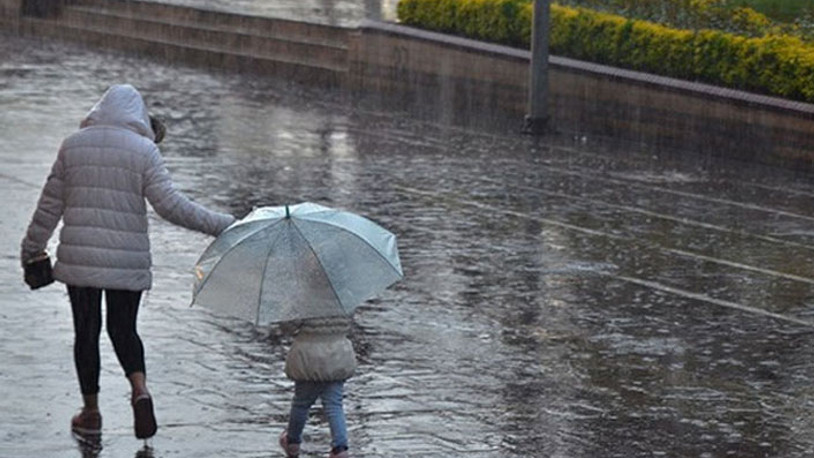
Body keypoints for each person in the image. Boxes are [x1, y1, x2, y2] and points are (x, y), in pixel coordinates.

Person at [20, 84, 236, 440]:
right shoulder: (144, 150)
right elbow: (171, 206)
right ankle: (140, 390)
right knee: (124, 328)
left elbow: (49, 206)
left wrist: (31, 249)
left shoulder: (73, 146)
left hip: (81, 258)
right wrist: (222, 225)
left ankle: (90, 413)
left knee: (86, 333)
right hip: (127, 260)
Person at [279, 316, 356, 458]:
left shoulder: (303, 300)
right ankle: (340, 449)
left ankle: (293, 443)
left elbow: (288, 326)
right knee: (334, 404)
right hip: (337, 355)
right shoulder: (344, 298)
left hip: (308, 357)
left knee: (301, 403)